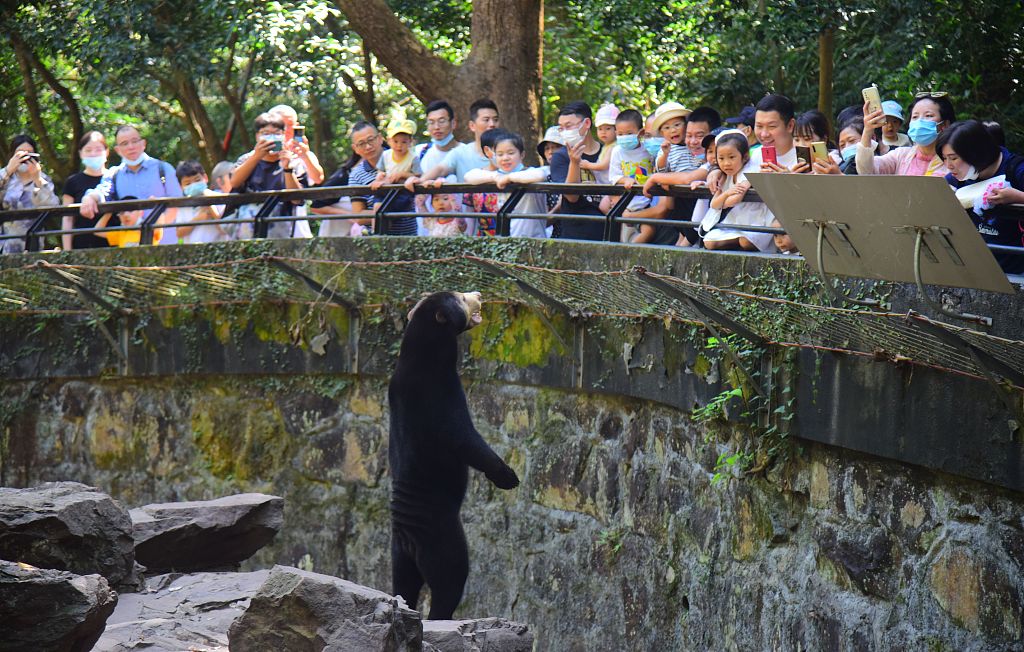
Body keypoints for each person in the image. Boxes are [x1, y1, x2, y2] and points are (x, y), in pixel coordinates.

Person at [937, 119, 1024, 274]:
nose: (948, 165)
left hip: (1017, 269)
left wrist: (1018, 197)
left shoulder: (1016, 169)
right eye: (944, 158)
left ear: (975, 152)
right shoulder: (956, 178)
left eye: (954, 158)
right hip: (977, 269)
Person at [78, 125, 181, 243]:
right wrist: (90, 197)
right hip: (131, 246)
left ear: (143, 143)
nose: (131, 147)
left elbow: (176, 205)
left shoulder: (163, 169)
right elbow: (103, 191)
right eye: (124, 143)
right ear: (117, 150)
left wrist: (153, 232)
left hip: (165, 244)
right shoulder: (114, 174)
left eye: (134, 141)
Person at [228, 112, 311, 240]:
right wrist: (256, 156)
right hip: (246, 232)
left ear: (283, 136)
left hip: (281, 233)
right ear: (257, 136)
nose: (271, 138)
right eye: (265, 134)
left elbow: (297, 199)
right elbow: (234, 182)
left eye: (277, 133)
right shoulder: (246, 159)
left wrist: (287, 168)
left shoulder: (294, 161)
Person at [464, 130, 550, 238]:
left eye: (511, 153)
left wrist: (508, 178)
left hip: (533, 239)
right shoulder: (497, 175)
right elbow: (469, 176)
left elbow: (539, 175)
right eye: (500, 154)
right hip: (507, 240)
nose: (505, 158)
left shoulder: (530, 172)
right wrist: (495, 177)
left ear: (522, 154)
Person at [549, 100, 611, 241]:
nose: (565, 132)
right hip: (577, 233)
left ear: (587, 124)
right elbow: (571, 196)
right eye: (561, 128)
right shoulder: (560, 156)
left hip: (610, 230)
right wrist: (575, 163)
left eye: (568, 126)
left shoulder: (608, 152)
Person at [856, 92, 954, 177]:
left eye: (928, 116)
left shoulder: (955, 161)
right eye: (915, 117)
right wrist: (868, 130)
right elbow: (866, 171)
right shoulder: (901, 156)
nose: (919, 121)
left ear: (944, 124)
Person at [699, 131, 762, 251]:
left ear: (744, 157)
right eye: (721, 158)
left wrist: (724, 198)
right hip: (734, 219)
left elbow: (735, 200)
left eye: (732, 157)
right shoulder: (724, 175)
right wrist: (727, 192)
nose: (726, 163)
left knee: (745, 241)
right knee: (709, 242)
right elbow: (714, 204)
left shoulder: (749, 173)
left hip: (752, 219)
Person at [1, 135, 58, 254]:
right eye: (20, 154)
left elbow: (53, 206)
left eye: (30, 154)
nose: (25, 158)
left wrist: (37, 179)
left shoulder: (43, 179)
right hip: (5, 244)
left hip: (34, 244)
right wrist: (8, 170)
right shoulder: (5, 176)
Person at [412, 100, 461, 232]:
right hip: (425, 231)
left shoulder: (465, 152)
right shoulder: (419, 152)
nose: (436, 127)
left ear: (453, 123)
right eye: (431, 122)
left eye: (442, 121)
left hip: (460, 231)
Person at [61, 130, 112, 250]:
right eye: (88, 150)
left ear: (107, 152)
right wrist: (67, 251)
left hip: (113, 243)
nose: (93, 153)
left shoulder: (115, 178)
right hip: (82, 245)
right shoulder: (72, 182)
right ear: (80, 153)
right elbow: (67, 219)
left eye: (98, 149)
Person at [604, 109, 652, 216]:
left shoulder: (648, 149)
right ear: (616, 133)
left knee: (648, 230)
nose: (625, 137)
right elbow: (613, 176)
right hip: (627, 203)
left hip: (648, 200)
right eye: (620, 134)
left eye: (629, 133)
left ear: (641, 133)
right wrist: (625, 179)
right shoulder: (617, 151)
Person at [171, 160, 227, 245]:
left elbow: (225, 229)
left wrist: (210, 205)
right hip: (192, 251)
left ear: (205, 178)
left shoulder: (220, 198)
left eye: (197, 180)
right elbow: (179, 233)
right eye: (187, 183)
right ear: (181, 186)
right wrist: (198, 219)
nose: (193, 185)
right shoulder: (183, 204)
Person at [93, 195, 162, 247]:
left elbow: (159, 225)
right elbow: (97, 231)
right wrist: (110, 211)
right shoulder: (121, 232)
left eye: (130, 211)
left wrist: (156, 205)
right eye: (122, 212)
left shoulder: (149, 228)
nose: (126, 215)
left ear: (141, 213)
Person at [580, 103, 619, 181]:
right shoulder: (607, 146)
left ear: (617, 129)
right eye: (600, 129)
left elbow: (604, 165)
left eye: (608, 128)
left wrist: (588, 165)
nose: (603, 132)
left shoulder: (614, 147)